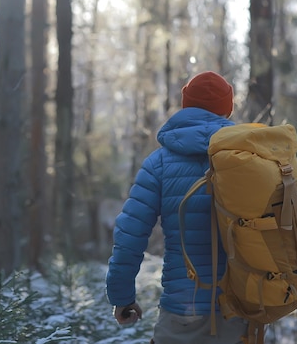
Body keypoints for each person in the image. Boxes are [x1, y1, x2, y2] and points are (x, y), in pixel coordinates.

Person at [105, 71, 248, 344]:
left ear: (186, 105)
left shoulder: (158, 163)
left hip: (183, 308)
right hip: (242, 307)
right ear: (227, 110)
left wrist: (122, 297)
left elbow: (129, 237)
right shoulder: (249, 158)